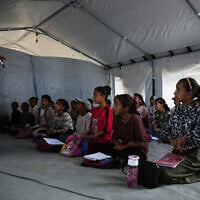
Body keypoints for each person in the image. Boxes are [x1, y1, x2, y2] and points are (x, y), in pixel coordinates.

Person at [160, 77, 200, 184]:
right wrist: (171, 140)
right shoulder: (177, 110)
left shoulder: (198, 109)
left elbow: (198, 134)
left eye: (178, 89)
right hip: (179, 152)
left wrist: (186, 137)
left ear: (189, 94)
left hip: (195, 154)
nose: (174, 92)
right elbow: (164, 130)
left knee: (165, 173)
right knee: (159, 169)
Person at [94, 94, 149, 161]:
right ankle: (118, 157)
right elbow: (114, 138)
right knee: (98, 146)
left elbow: (141, 143)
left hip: (135, 148)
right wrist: (118, 145)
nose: (113, 107)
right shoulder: (117, 118)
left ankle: (119, 158)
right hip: (123, 146)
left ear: (126, 108)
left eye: (116, 105)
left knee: (135, 154)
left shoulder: (135, 119)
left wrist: (123, 147)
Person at [80, 85, 113, 154]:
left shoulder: (107, 110)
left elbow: (106, 130)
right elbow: (91, 127)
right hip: (94, 139)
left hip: (103, 141)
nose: (93, 97)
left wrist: (90, 136)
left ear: (103, 97)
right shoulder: (95, 110)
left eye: (95, 95)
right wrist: (84, 134)